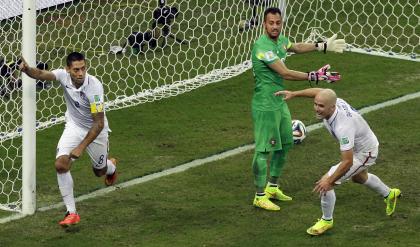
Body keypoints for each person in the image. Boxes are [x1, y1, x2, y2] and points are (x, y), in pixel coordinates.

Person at [250, 7, 345, 211]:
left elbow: (296, 46)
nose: (275, 26)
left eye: (278, 22)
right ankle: (259, 196)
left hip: (279, 101)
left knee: (285, 145)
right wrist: (314, 76)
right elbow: (285, 73)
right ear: (264, 24)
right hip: (265, 105)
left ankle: (272, 187)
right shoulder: (262, 47)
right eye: (271, 23)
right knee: (263, 151)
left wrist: (322, 46)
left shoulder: (280, 40)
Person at [275, 88, 401, 235]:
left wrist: (329, 180)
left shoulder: (343, 127)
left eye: (321, 106)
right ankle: (390, 194)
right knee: (359, 178)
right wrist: (295, 94)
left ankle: (326, 221)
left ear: (332, 107)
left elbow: (347, 162)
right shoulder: (333, 101)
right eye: (316, 104)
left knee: (326, 182)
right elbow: (319, 91)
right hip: (360, 144)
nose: (317, 108)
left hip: (365, 153)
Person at [19, 52, 118, 227]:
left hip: (95, 132)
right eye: (76, 70)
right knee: (61, 165)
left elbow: (99, 123)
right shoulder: (63, 76)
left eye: (83, 68)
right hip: (74, 127)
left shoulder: (94, 87)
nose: (80, 73)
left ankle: (111, 167)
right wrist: (27, 70)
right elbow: (42, 74)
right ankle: (71, 213)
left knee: (99, 172)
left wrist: (80, 147)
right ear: (68, 69)